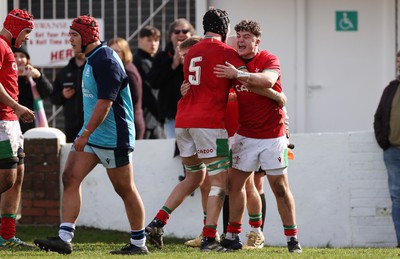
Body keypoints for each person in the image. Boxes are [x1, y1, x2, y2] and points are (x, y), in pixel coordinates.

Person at [33, 15, 148, 255]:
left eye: (74, 35)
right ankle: (64, 238)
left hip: (113, 137)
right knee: (70, 177)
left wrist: (84, 133)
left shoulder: (105, 60)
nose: (70, 40)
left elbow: (105, 103)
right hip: (94, 136)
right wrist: (86, 134)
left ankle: (139, 244)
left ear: (86, 36)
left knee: (125, 189)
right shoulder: (92, 58)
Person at [145, 8, 246, 252]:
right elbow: (244, 82)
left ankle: (158, 221)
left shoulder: (191, 52)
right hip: (209, 124)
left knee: (194, 177)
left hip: (184, 121)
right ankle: (210, 238)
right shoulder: (227, 52)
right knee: (219, 182)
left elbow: (190, 84)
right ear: (225, 28)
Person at [214, 19, 302, 253]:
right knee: (234, 185)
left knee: (279, 188)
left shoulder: (268, 59)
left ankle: (292, 239)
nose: (240, 40)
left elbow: (268, 80)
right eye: (238, 35)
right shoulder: (233, 63)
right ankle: (232, 236)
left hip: (273, 134)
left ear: (257, 41)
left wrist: (241, 76)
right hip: (245, 134)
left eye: (246, 36)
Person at [0, 8, 35, 248]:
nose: (26, 39)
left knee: (17, 176)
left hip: (12, 121)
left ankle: (7, 236)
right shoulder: (0, 45)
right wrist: (17, 106)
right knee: (6, 179)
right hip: (2, 120)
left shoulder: (8, 48)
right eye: (26, 33)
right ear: (16, 29)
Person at [148, 18, 195, 139]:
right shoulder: (162, 57)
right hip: (172, 115)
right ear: (170, 36)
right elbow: (153, 82)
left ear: (191, 34)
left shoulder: (199, 56)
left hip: (196, 113)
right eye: (177, 31)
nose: (181, 34)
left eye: (185, 31)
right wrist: (173, 65)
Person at [374, 50, 400, 248]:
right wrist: (384, 142)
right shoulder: (391, 89)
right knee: (397, 196)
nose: (399, 65)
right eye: (398, 62)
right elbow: (379, 117)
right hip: (392, 152)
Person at [109, 37, 145, 140]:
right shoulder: (121, 69)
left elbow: (134, 98)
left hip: (131, 121)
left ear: (124, 52)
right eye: (111, 51)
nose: (113, 54)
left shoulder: (128, 71)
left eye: (117, 51)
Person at [12, 43, 53, 133]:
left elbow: (47, 93)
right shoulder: (5, 76)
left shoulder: (32, 76)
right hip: (12, 122)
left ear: (27, 60)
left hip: (31, 122)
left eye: (22, 56)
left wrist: (39, 77)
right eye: (14, 56)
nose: (18, 59)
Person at [133, 26, 162, 139]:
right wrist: (161, 115)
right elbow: (148, 92)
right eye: (149, 40)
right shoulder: (141, 61)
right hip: (147, 118)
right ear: (140, 40)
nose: (153, 44)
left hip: (152, 119)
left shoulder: (152, 60)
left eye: (156, 40)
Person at [50, 53, 85, 143]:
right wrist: (63, 95)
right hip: (71, 125)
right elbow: (53, 98)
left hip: (91, 124)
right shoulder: (64, 72)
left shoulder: (93, 69)